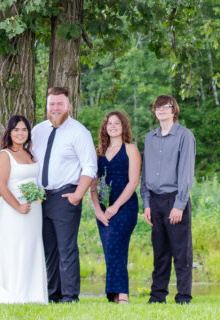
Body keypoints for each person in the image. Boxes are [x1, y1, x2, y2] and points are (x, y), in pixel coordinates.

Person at [31, 86, 98, 303]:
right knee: (48, 249)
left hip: (66, 195)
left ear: (69, 106)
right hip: (41, 198)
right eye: (52, 104)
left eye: (60, 104)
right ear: (46, 106)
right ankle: (53, 295)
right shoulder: (37, 131)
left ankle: (70, 297)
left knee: (66, 248)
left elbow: (89, 167)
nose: (56, 108)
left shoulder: (79, 132)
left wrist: (78, 195)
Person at [0, 114, 48, 303]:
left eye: (24, 130)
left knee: (32, 247)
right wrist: (18, 206)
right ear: (9, 132)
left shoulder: (30, 154)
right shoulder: (5, 155)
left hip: (34, 210)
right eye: (16, 130)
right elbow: (1, 185)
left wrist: (38, 196)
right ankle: (13, 292)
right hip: (14, 210)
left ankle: (33, 293)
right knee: (14, 247)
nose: (20, 133)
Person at [141, 95, 195, 305]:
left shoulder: (185, 136)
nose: (162, 109)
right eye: (158, 107)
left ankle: (183, 297)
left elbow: (186, 173)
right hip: (154, 201)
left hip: (175, 199)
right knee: (160, 252)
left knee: (181, 253)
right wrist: (146, 202)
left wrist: (179, 205)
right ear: (154, 111)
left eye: (166, 106)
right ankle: (157, 296)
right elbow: (145, 173)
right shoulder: (149, 138)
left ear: (174, 110)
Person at [90, 110, 141, 303]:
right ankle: (113, 294)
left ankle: (122, 293)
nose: (112, 126)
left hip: (125, 207)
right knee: (109, 248)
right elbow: (92, 185)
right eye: (109, 123)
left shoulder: (130, 149)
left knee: (117, 245)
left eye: (116, 123)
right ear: (104, 128)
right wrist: (98, 210)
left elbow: (133, 182)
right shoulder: (98, 152)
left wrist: (115, 207)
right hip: (103, 208)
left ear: (123, 127)